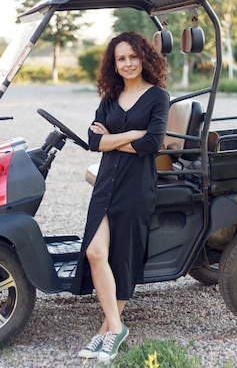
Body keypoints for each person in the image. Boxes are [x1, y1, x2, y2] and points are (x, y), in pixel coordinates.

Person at [72, 31, 170, 362]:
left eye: (132, 57)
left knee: (122, 258)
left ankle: (107, 331)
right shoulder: (109, 98)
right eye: (120, 59)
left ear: (144, 57)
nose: (127, 63)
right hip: (106, 185)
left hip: (135, 187)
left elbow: (152, 145)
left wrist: (111, 138)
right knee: (95, 252)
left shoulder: (158, 97)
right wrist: (129, 135)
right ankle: (116, 327)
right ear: (114, 65)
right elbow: (92, 141)